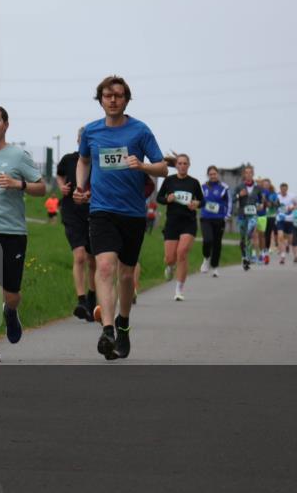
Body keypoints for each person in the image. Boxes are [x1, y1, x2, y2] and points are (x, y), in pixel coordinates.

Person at [74, 76, 167, 361]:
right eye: (107, 95)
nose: (112, 100)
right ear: (100, 100)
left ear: (126, 99)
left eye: (118, 95)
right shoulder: (91, 131)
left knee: (126, 275)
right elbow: (84, 160)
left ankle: (124, 324)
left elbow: (163, 168)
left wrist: (143, 165)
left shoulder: (140, 131)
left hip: (133, 212)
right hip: (101, 210)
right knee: (103, 267)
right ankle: (108, 329)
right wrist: (81, 187)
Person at [0, 104, 46, 362]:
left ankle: (11, 312)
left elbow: (42, 187)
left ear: (6, 124)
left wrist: (19, 184)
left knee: (11, 293)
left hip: (12, 231)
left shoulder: (17, 155)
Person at [57, 127, 97, 322]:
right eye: (82, 139)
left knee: (92, 259)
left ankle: (92, 298)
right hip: (71, 211)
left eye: (88, 140)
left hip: (94, 212)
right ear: (78, 140)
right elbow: (59, 174)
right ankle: (81, 301)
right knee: (80, 255)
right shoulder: (68, 159)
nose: (85, 142)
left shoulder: (97, 161)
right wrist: (61, 187)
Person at [158, 154, 204, 301]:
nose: (182, 166)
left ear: (189, 165)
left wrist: (197, 204)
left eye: (185, 163)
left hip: (188, 222)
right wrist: (167, 199)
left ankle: (179, 289)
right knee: (170, 258)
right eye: (180, 163)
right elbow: (159, 198)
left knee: (182, 253)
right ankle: (170, 267)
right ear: (176, 165)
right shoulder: (169, 181)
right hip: (172, 222)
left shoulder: (194, 183)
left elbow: (202, 201)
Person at [200, 165, 231, 278]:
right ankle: (206, 258)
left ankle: (215, 267)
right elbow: (198, 200)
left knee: (217, 243)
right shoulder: (203, 187)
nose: (213, 176)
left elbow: (229, 202)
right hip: (205, 218)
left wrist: (226, 215)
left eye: (214, 174)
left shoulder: (224, 187)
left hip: (219, 219)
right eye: (211, 174)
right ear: (208, 175)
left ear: (217, 174)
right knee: (208, 240)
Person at [233, 165, 263, 271]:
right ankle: (244, 257)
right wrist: (239, 196)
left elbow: (261, 200)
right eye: (247, 172)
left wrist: (260, 204)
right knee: (242, 238)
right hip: (242, 215)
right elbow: (232, 199)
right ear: (244, 174)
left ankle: (248, 257)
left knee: (250, 234)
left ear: (253, 174)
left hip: (253, 215)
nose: (249, 174)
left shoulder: (258, 188)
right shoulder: (239, 187)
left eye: (251, 172)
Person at [277, 182, 297, 265]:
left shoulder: (292, 196)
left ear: (287, 189)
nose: (283, 191)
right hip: (280, 219)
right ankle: (282, 256)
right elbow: (273, 205)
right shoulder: (277, 196)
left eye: (285, 189)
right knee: (280, 236)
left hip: (290, 220)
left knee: (290, 240)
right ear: (280, 189)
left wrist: (292, 207)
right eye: (282, 189)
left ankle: (295, 255)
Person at [261, 179, 279, 265]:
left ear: (270, 185)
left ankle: (266, 252)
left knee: (267, 234)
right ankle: (260, 252)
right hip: (261, 216)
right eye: (264, 184)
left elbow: (276, 205)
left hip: (270, 216)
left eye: (267, 184)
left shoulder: (274, 194)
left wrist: (268, 201)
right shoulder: (259, 192)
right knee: (261, 235)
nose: (266, 186)